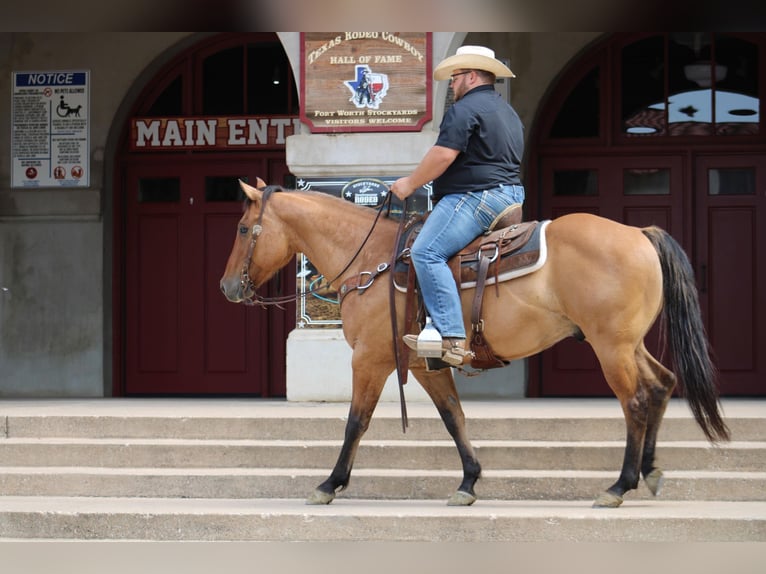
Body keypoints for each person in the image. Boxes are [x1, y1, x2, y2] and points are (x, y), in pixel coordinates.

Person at [391, 45, 525, 366]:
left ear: (472, 76)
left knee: (426, 252)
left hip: (476, 197)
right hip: (511, 197)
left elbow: (443, 154)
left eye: (455, 78)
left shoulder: (464, 109)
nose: (451, 85)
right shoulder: (508, 112)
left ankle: (451, 335)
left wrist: (409, 183)